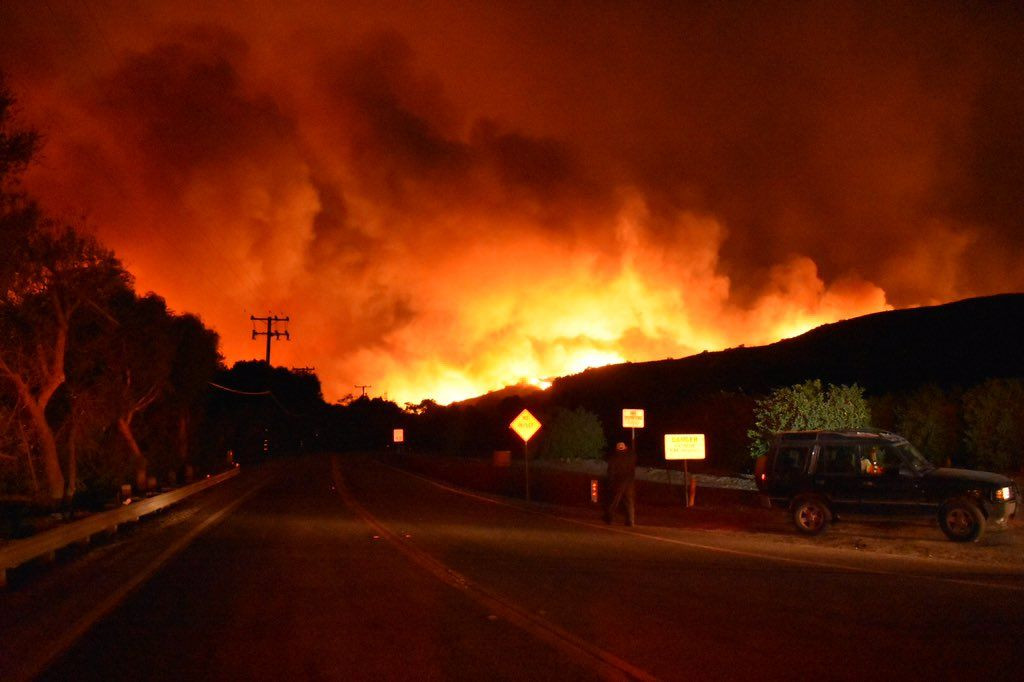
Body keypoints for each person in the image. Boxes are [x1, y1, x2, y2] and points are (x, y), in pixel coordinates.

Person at [604, 441, 637, 526]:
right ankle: (631, 521)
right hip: (629, 482)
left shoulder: (615, 457)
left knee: (614, 501)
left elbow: (611, 470)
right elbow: (633, 469)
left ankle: (610, 518)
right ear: (625, 447)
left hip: (618, 482)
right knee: (629, 502)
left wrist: (610, 482)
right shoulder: (631, 456)